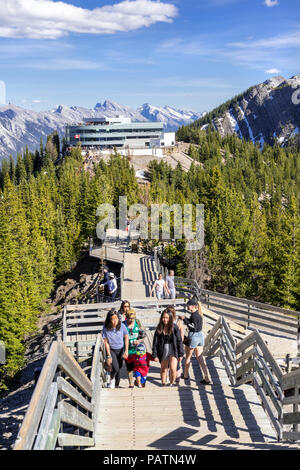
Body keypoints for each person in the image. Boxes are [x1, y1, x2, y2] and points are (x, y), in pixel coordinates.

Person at [179, 298, 211, 385]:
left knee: (188, 357)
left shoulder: (194, 315)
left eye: (188, 305)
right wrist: (185, 319)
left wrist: (184, 319)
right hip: (200, 336)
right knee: (200, 358)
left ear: (193, 306)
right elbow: (194, 325)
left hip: (194, 336)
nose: (187, 307)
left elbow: (193, 327)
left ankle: (185, 375)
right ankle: (207, 378)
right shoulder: (198, 314)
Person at [152, 309, 184, 386]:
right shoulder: (159, 328)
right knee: (163, 369)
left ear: (170, 318)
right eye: (163, 317)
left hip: (173, 348)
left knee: (173, 369)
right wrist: (155, 355)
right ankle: (163, 384)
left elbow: (179, 340)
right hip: (163, 349)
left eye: (167, 318)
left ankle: (171, 383)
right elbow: (155, 343)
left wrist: (181, 354)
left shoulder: (175, 327)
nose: (165, 319)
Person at [102, 309, 129, 388]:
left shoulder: (122, 326)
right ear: (109, 320)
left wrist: (126, 350)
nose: (115, 321)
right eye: (112, 319)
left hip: (120, 349)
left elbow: (126, 337)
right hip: (112, 349)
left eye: (116, 319)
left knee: (119, 367)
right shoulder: (105, 328)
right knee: (116, 368)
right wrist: (109, 355)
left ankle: (116, 384)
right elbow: (106, 341)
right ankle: (112, 379)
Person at [123, 308, 145, 388]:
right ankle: (131, 384)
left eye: (133, 318)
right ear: (127, 317)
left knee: (138, 366)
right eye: (130, 318)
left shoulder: (138, 323)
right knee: (129, 368)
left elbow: (144, 335)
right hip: (127, 349)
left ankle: (138, 381)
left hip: (137, 350)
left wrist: (138, 341)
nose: (131, 320)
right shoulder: (123, 325)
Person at [165, 305, 185, 384]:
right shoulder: (179, 321)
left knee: (167, 361)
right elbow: (182, 335)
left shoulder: (168, 321)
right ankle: (177, 378)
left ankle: (168, 377)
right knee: (178, 363)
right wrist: (180, 344)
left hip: (170, 344)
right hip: (177, 344)